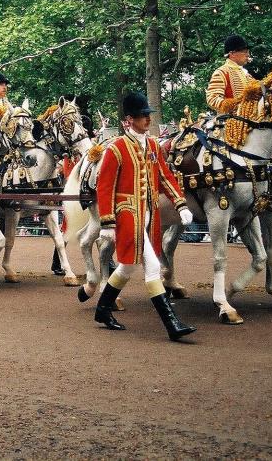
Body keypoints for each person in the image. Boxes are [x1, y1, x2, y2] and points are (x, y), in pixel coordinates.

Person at [94, 92, 196, 341]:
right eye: (143, 116)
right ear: (129, 119)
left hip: (149, 214)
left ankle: (102, 309)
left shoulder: (152, 145)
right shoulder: (115, 148)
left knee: (127, 267)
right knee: (152, 267)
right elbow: (104, 187)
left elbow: (164, 176)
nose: (148, 119)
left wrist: (180, 203)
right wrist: (107, 221)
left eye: (148, 115)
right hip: (127, 215)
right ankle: (172, 325)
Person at [205, 34, 255, 115]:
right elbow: (212, 99)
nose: (248, 55)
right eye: (245, 51)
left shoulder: (247, 75)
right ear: (232, 54)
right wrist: (233, 105)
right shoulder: (221, 72)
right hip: (229, 122)